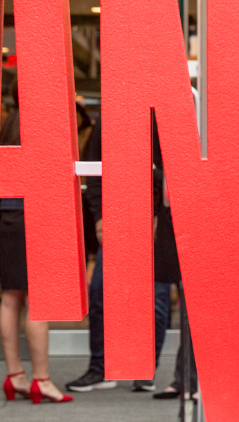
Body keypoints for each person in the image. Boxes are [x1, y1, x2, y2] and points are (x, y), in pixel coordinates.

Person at [65, 115, 179, 394]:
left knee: (156, 297)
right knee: (100, 292)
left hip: (156, 220)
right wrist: (99, 216)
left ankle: (144, 371)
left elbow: (174, 168)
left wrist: (160, 215)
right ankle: (100, 369)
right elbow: (95, 171)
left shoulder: (165, 114)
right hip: (117, 216)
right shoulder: (109, 117)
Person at [0, 81, 72, 403]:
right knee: (38, 298)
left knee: (11, 297)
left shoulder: (6, 127)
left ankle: (15, 376)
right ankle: (42, 379)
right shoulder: (43, 127)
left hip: (8, 215)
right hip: (36, 216)